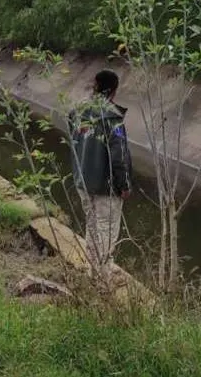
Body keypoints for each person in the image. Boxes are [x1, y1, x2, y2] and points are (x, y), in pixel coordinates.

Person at [68, 68, 133, 271]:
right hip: (106, 185)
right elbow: (119, 155)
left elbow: (75, 140)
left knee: (92, 223)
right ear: (114, 90)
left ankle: (92, 266)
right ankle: (102, 274)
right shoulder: (113, 119)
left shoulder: (78, 110)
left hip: (83, 179)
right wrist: (125, 185)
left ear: (95, 86)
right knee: (107, 226)